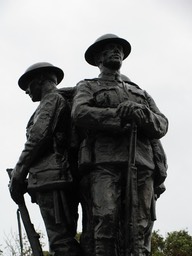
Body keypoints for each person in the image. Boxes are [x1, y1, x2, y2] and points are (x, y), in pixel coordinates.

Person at [71, 34, 168, 256]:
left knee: (140, 224)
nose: (116, 51)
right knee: (105, 217)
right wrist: (118, 115)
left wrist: (142, 114)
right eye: (109, 49)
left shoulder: (140, 92)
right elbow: (80, 113)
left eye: (118, 49)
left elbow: (162, 124)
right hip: (104, 162)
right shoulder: (88, 86)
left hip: (142, 164)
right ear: (98, 58)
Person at [9, 62, 81, 256]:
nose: (26, 91)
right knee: (61, 238)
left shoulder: (52, 100)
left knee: (61, 241)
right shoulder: (52, 101)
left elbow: (38, 137)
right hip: (53, 176)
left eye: (28, 84)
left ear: (41, 79)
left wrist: (18, 172)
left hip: (54, 177)